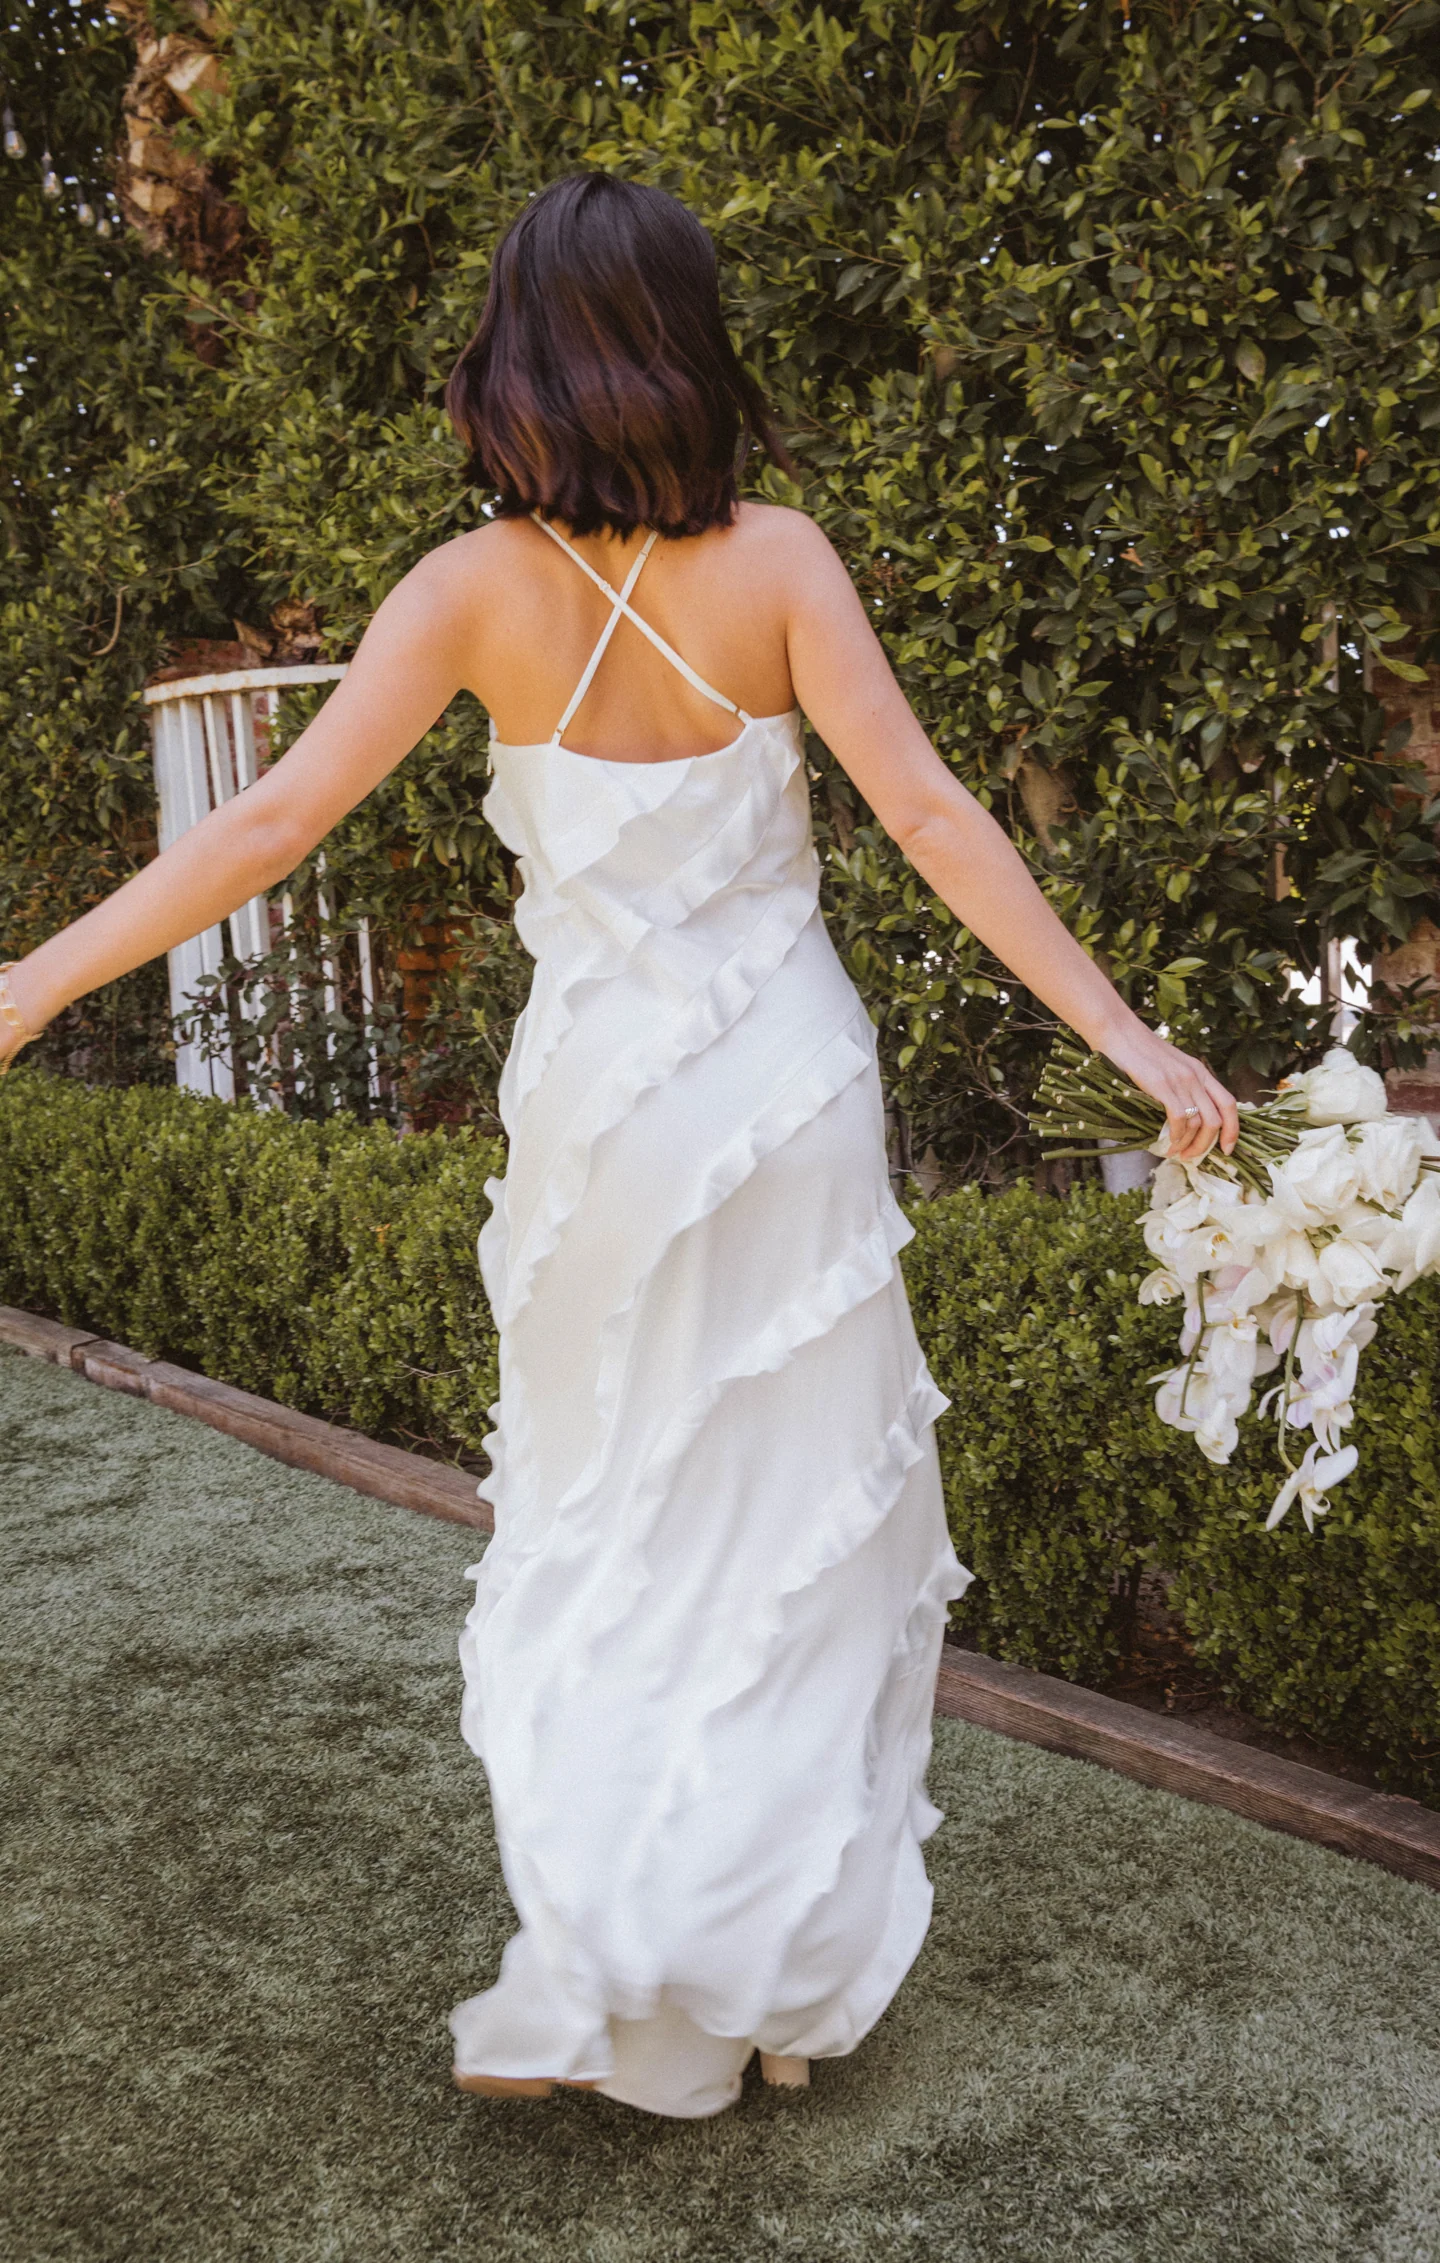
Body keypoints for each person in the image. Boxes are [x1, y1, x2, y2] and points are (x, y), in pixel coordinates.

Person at [0, 173, 1238, 2119]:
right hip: (792, 1104)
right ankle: (760, 1975)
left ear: (518, 364)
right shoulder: (783, 563)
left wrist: (30, 985)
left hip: (614, 1129)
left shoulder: (471, 589)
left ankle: (624, 1961)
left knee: (623, 1529)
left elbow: (260, 834)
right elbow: (928, 816)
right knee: (784, 1539)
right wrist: (1131, 1034)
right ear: (688, 351)